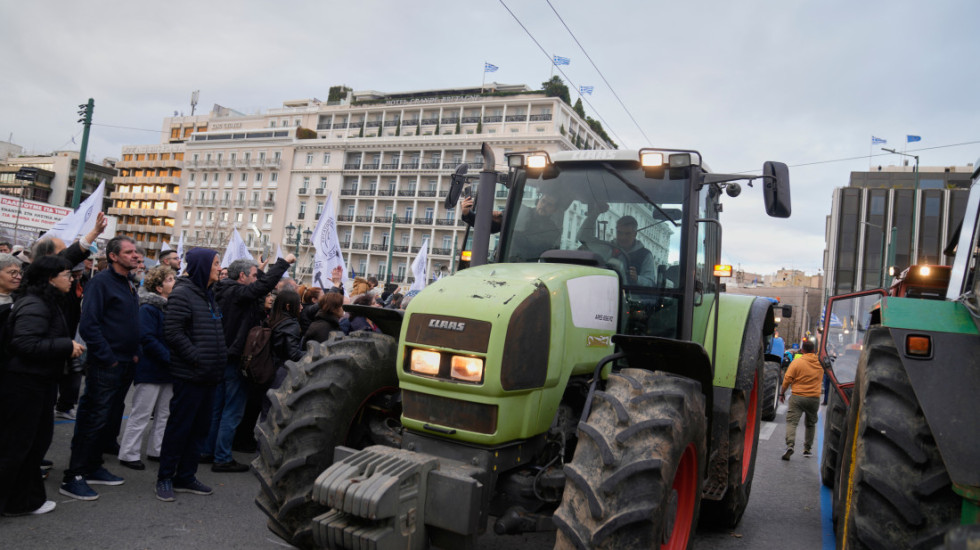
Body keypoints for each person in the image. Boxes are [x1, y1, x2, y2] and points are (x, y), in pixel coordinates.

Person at [0, 255, 84, 516]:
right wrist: (65, 346)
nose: (71, 279)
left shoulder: (46, 301)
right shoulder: (35, 304)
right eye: (66, 274)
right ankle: (15, 502)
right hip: (25, 384)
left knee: (32, 445)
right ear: (50, 278)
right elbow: (24, 344)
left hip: (37, 382)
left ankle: (24, 500)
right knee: (19, 447)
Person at [60, 236, 141, 501]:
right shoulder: (100, 283)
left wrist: (134, 353)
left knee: (107, 418)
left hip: (125, 362)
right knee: (92, 418)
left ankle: (94, 466)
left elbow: (129, 323)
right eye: (128, 252)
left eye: (135, 252)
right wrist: (108, 357)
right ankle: (75, 475)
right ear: (114, 256)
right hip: (106, 364)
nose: (135, 255)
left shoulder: (128, 284)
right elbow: (89, 326)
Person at [205, 254, 294, 472]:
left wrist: (260, 269)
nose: (257, 279)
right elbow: (261, 287)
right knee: (232, 410)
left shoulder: (223, 290)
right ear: (242, 276)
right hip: (235, 359)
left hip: (222, 356)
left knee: (216, 408)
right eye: (254, 275)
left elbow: (259, 286)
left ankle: (207, 451)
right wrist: (283, 262)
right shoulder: (236, 292)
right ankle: (222, 457)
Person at [157, 247, 226, 502]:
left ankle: (186, 476)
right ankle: (165, 477)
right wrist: (197, 358)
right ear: (202, 267)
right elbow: (173, 333)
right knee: (179, 428)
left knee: (199, 430)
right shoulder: (183, 294)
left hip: (209, 376)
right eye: (216, 263)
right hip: (191, 375)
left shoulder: (209, 295)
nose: (220, 267)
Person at [117, 266, 176, 470]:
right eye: (170, 280)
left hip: (168, 369)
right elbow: (147, 338)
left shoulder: (169, 308)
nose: (174, 282)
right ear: (159, 287)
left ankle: (156, 449)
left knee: (164, 413)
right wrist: (169, 357)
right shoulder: (149, 309)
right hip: (151, 368)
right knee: (141, 413)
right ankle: (128, 453)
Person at [460, 192, 565, 261]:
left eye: (549, 204)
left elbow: (532, 243)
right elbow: (490, 227)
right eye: (543, 201)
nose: (544, 205)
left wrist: (507, 222)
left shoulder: (553, 231)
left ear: (555, 210)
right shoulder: (519, 212)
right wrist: (468, 214)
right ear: (538, 201)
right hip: (501, 261)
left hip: (527, 268)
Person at [578, 203, 656, 285]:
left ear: (635, 234)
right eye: (619, 233)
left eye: (627, 234)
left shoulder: (645, 255)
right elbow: (584, 238)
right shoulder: (607, 248)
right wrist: (595, 214)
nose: (622, 237)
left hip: (633, 296)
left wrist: (637, 278)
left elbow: (650, 283)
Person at [779, 339, 823, 460]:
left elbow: (787, 379)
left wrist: (782, 393)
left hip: (797, 397)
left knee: (792, 423)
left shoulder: (797, 362)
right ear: (814, 350)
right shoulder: (820, 363)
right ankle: (807, 449)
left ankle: (790, 446)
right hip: (814, 398)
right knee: (810, 424)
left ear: (802, 350)